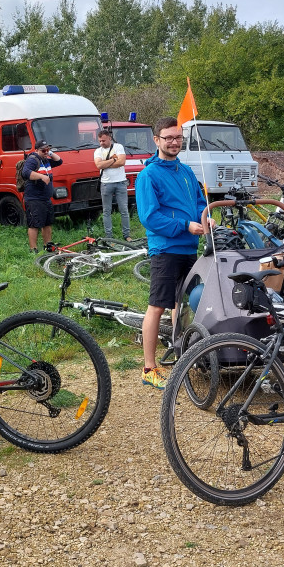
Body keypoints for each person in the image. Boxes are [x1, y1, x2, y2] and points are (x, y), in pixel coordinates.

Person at [135, 117, 206, 389]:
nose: (174, 142)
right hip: (165, 250)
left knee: (184, 304)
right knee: (158, 306)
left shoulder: (186, 171)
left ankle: (183, 355)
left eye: (178, 137)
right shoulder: (148, 175)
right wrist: (185, 225)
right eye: (168, 138)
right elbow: (149, 217)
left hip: (190, 249)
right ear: (157, 140)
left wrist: (205, 217)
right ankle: (149, 368)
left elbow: (200, 202)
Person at [22, 139, 63, 253]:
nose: (46, 152)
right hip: (34, 198)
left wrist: (48, 152)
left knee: (47, 223)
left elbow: (59, 161)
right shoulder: (32, 159)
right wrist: (41, 177)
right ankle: (33, 249)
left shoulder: (46, 160)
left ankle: (47, 245)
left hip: (46, 198)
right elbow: (25, 172)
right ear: (36, 150)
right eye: (43, 150)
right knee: (34, 224)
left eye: (47, 150)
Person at [94, 128, 131, 240]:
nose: (102, 143)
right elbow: (99, 165)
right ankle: (109, 237)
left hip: (120, 182)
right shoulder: (97, 151)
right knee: (106, 211)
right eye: (100, 141)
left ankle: (127, 235)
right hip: (106, 183)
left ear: (109, 138)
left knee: (124, 210)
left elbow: (122, 162)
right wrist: (113, 160)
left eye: (104, 140)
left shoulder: (118, 147)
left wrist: (106, 163)